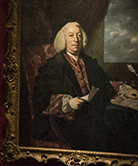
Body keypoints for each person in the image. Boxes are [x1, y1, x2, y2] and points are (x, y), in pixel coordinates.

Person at [30, 21, 115, 152]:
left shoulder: (90, 62)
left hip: (91, 114)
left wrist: (124, 90)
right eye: (71, 35)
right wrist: (68, 103)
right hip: (63, 120)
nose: (76, 39)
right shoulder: (53, 65)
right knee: (97, 130)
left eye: (79, 35)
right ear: (63, 40)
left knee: (115, 119)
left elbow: (104, 82)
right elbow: (40, 98)